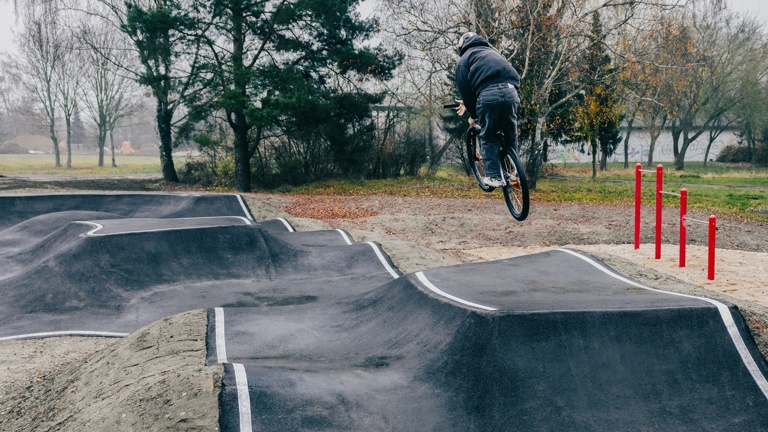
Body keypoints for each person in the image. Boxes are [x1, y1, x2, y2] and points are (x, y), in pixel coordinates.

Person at [454, 32, 521, 188]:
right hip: (511, 90)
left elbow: (466, 91)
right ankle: (514, 171)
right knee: (510, 133)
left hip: (488, 95)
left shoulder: (464, 60)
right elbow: (514, 75)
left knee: (488, 134)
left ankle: (494, 176)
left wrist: (474, 115)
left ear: (462, 46)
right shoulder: (493, 53)